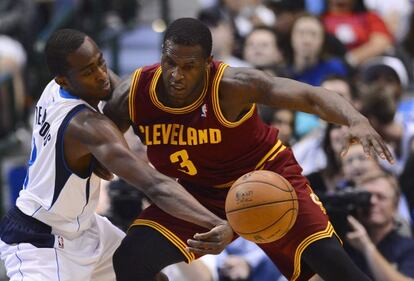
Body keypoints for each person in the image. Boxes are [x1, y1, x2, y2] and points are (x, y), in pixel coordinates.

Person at [104, 18, 394, 281]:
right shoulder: (134, 93)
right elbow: (102, 142)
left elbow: (310, 96)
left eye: (189, 66)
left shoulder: (232, 86)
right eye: (170, 62)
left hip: (266, 181)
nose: (176, 75)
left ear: (208, 64)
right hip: (197, 192)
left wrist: (355, 118)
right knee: (131, 259)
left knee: (334, 266)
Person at [0, 29, 233, 281]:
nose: (101, 75)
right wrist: (215, 221)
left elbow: (124, 93)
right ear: (63, 80)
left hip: (83, 227)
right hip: (40, 240)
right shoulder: (86, 126)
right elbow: (154, 184)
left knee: (150, 275)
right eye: (89, 71)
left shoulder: (59, 87)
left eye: (100, 61)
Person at [345, 172, 414, 280]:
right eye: (366, 198)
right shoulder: (347, 244)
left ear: (395, 205)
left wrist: (367, 247)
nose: (372, 202)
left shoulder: (408, 247)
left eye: (381, 197)